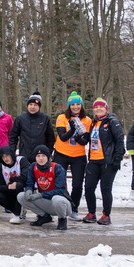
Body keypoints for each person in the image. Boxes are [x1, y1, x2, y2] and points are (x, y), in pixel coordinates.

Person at [82, 98, 125, 225]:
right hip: (93, 160)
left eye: (101, 107)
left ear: (106, 108)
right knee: (89, 187)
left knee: (105, 188)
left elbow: (119, 140)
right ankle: (92, 213)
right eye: (96, 107)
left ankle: (106, 215)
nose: (98, 109)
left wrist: (118, 158)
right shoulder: (93, 122)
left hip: (108, 161)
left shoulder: (112, 121)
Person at [54, 92, 91, 220]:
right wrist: (72, 130)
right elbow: (63, 137)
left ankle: (74, 208)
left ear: (81, 106)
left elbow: (85, 141)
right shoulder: (62, 118)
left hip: (78, 156)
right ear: (69, 106)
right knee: (59, 182)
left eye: (78, 104)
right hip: (61, 153)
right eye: (73, 104)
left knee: (77, 184)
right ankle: (61, 207)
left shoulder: (87, 120)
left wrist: (78, 137)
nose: (75, 107)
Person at [18, 145, 71, 230]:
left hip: (62, 204)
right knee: (21, 196)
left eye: (43, 156)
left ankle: (62, 219)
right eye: (38, 156)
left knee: (57, 199)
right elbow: (30, 183)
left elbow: (60, 191)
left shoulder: (57, 167)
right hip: (46, 202)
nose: (41, 158)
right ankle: (44, 216)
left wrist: (40, 195)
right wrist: (28, 190)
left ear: (49, 157)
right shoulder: (33, 166)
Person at [9, 92, 54, 159]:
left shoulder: (45, 118)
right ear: (27, 105)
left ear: (39, 106)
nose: (32, 107)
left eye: (35, 105)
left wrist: (48, 152)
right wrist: (12, 152)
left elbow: (50, 137)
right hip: (25, 154)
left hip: (40, 156)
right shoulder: (20, 118)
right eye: (30, 104)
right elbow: (13, 136)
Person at [0, 145, 30, 222]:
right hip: (10, 190)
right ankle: (18, 211)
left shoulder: (21, 160)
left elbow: (25, 177)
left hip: (24, 190)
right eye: (3, 157)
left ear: (11, 154)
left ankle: (17, 214)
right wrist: (9, 187)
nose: (5, 158)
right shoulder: (1, 166)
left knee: (19, 185)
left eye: (7, 155)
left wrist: (12, 179)